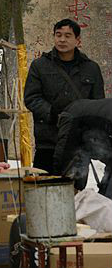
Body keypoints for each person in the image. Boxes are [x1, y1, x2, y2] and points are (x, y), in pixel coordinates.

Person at [24, 18, 105, 174]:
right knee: (44, 187)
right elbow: (31, 98)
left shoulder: (91, 68)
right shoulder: (39, 65)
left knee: (74, 190)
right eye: (58, 34)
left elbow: (98, 104)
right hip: (48, 141)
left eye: (67, 36)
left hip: (78, 143)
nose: (62, 39)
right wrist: (53, 114)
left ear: (78, 40)